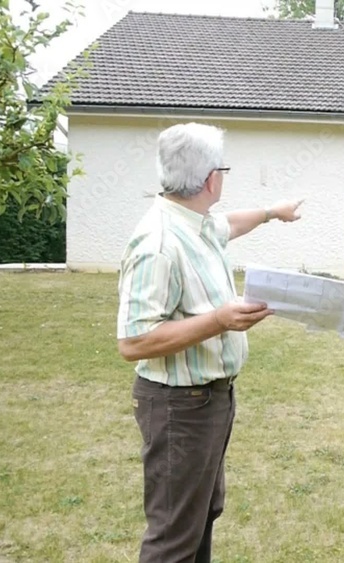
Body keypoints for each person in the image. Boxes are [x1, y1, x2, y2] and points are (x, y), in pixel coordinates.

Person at [116, 122, 303, 562]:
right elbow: (134, 341)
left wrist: (271, 212)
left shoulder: (194, 223)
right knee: (174, 537)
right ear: (211, 179)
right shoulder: (159, 243)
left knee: (200, 517)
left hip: (208, 401)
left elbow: (228, 225)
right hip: (179, 407)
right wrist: (219, 320)